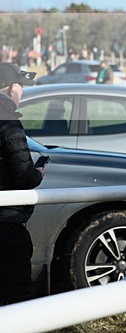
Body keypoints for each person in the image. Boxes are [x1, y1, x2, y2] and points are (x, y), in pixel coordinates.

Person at [0, 62, 44, 306]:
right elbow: (23, 175)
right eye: (20, 86)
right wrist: (38, 173)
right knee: (17, 290)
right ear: (9, 89)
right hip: (6, 221)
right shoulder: (8, 121)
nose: (22, 92)